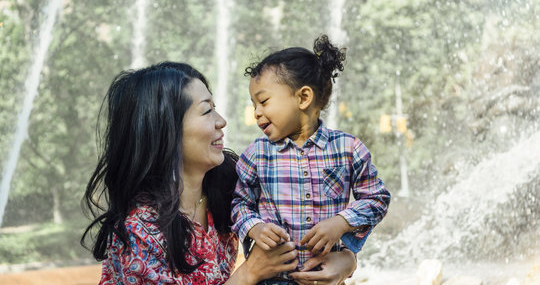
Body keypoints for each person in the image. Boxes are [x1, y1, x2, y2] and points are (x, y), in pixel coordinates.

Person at [81, 61, 356, 285]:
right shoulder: (140, 231)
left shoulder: (227, 185)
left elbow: (308, 211)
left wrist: (347, 259)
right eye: (207, 111)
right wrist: (250, 273)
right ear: (167, 130)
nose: (221, 121)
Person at [231, 35, 391, 283]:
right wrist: (255, 227)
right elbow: (240, 204)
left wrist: (342, 222)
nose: (256, 112)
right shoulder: (257, 154)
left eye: (263, 101)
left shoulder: (347, 149)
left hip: (325, 278)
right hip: (272, 279)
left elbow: (377, 198)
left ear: (303, 98)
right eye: (253, 104)